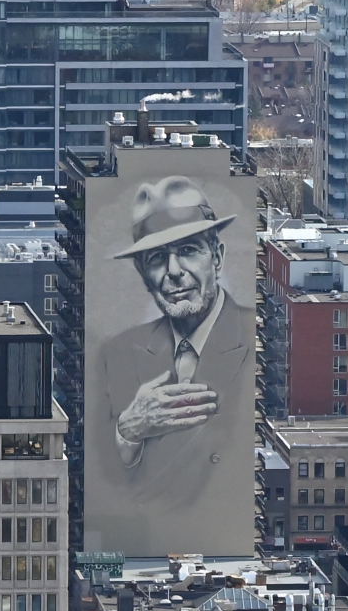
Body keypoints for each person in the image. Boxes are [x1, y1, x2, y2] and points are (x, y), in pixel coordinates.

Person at [89, 174, 254, 555]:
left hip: (220, 549)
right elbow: (103, 475)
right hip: (144, 548)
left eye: (189, 250)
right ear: (142, 276)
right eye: (157, 258)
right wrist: (128, 432)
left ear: (217, 257)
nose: (174, 270)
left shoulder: (254, 335)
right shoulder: (116, 353)